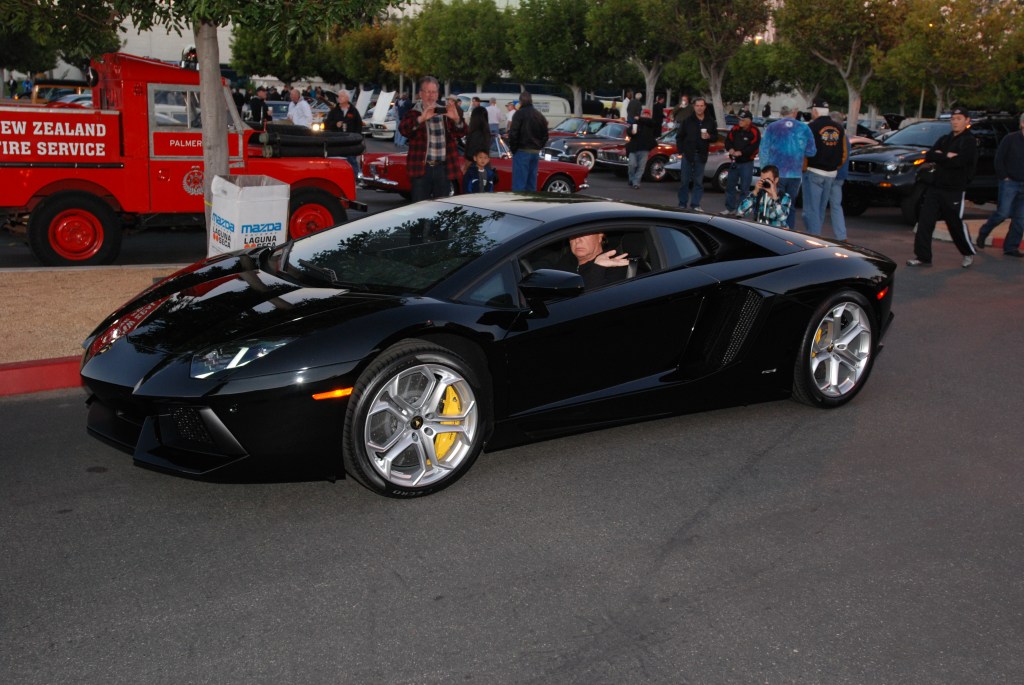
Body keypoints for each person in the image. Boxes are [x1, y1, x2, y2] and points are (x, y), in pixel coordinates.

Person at [907, 106, 979, 268]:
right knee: (924, 222)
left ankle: (967, 252)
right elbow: (930, 155)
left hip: (954, 190)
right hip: (935, 187)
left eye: (959, 119)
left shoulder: (969, 141)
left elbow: (961, 162)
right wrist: (947, 156)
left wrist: (942, 156)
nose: (955, 122)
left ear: (967, 121)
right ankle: (923, 257)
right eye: (953, 119)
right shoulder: (945, 139)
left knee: (954, 224)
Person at [397, 75, 467, 203]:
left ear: (438, 93)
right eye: (427, 91)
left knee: (441, 210)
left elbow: (461, 132)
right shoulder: (414, 112)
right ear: (421, 93)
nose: (431, 95)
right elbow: (403, 130)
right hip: (421, 168)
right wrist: (421, 119)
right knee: (419, 208)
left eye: (434, 92)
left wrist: (457, 119)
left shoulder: (446, 112)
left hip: (443, 168)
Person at [759, 105, 816, 229]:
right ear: (794, 112)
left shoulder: (772, 127)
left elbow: (763, 150)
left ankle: (773, 232)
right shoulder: (804, 128)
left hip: (776, 173)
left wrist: (764, 170)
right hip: (795, 173)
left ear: (781, 112)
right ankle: (789, 233)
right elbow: (812, 151)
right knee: (791, 206)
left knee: (774, 203)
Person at [975, 112, 1024, 258]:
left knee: (1020, 219)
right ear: (1022, 124)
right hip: (1010, 183)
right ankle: (984, 232)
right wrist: (1004, 177)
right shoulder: (1010, 139)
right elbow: (999, 158)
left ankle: (1011, 247)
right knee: (1003, 213)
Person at [802, 100, 847, 235]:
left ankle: (813, 239)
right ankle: (816, 236)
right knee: (820, 209)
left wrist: (804, 167)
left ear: (815, 111)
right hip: (831, 174)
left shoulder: (811, 127)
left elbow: (804, 150)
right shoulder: (839, 128)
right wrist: (835, 166)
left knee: (811, 209)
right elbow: (843, 152)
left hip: (814, 171)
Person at [676, 97, 719, 212]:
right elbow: (679, 137)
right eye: (697, 106)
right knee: (684, 181)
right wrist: (681, 151)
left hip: (701, 155)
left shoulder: (710, 121)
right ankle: (682, 203)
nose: (699, 108)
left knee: (698, 182)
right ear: (694, 107)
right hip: (688, 154)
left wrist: (709, 136)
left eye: (701, 106)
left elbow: (716, 136)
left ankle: (695, 204)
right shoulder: (687, 121)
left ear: (705, 107)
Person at [721, 109, 761, 215]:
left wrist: (741, 153)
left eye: (742, 119)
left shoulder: (754, 131)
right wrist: (730, 149)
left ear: (748, 121)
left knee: (744, 188)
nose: (740, 121)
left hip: (747, 163)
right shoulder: (735, 129)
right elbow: (728, 141)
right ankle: (730, 208)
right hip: (734, 161)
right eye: (739, 119)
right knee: (730, 185)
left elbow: (754, 147)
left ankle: (741, 210)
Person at [556, 232, 630, 289]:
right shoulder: (566, 260)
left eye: (584, 234)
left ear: (600, 236)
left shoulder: (615, 266)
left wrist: (598, 268)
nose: (578, 240)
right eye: (573, 235)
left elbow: (595, 301)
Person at [508, 91, 548, 191]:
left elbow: (513, 133)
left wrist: (514, 149)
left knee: (519, 185)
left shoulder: (519, 114)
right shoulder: (539, 115)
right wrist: (539, 146)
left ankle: (519, 205)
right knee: (531, 184)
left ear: (520, 101)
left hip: (522, 150)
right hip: (535, 151)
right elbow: (545, 135)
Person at [820, 111, 851, 241]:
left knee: (820, 205)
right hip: (840, 176)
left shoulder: (833, 136)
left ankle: (815, 233)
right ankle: (841, 235)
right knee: (836, 206)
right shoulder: (846, 137)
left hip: (830, 173)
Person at [625, 116, 657, 189]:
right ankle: (632, 179)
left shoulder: (650, 125)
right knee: (632, 165)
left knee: (641, 167)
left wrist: (640, 118)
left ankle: (636, 182)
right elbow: (629, 130)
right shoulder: (636, 124)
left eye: (647, 114)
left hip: (644, 149)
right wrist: (631, 132)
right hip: (633, 148)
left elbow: (652, 122)